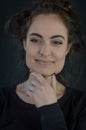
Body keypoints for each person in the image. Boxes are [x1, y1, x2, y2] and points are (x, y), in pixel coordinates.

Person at [0, 0, 86, 129]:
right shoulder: (2, 100)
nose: (45, 52)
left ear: (67, 48)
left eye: (57, 42)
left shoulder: (82, 105)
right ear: (24, 43)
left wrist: (49, 108)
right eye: (35, 40)